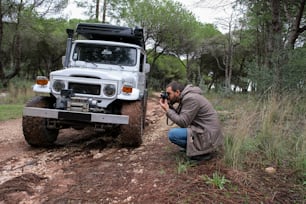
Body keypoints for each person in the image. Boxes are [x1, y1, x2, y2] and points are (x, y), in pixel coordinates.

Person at [159, 81, 223, 161]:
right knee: (180, 133)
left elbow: (183, 122)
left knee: (173, 134)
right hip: (207, 132)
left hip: (208, 135)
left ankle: (202, 153)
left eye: (169, 94)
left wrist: (167, 110)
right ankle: (195, 148)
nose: (167, 96)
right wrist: (169, 106)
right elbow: (182, 116)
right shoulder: (188, 96)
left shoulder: (191, 98)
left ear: (177, 92)